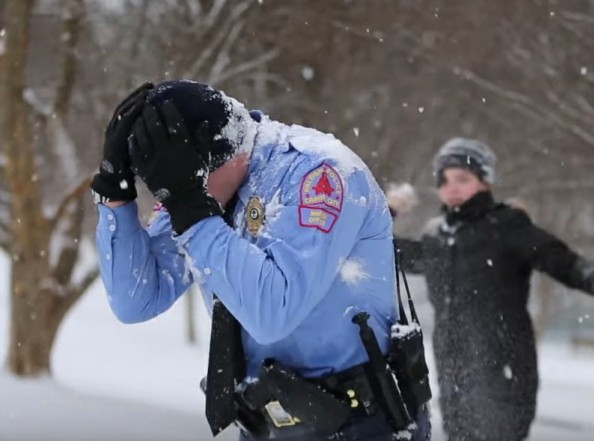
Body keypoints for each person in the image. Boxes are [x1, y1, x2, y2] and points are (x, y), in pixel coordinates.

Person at [90, 80, 431, 441]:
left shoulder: (319, 174)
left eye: (170, 184)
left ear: (224, 155)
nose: (166, 198)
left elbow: (273, 312)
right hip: (266, 421)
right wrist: (115, 195)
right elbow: (137, 299)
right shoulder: (196, 193)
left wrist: (190, 205)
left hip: (360, 422)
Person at [387, 138, 594, 441]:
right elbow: (385, 252)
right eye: (444, 179)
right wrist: (386, 212)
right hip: (453, 368)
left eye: (463, 179)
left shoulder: (507, 226)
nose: (451, 186)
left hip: (504, 366)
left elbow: (559, 258)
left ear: (484, 182)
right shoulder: (437, 238)